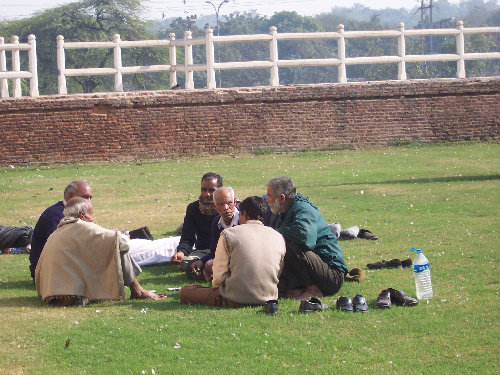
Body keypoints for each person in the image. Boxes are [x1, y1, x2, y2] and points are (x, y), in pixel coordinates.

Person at [35, 198, 167, 306]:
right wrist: (123, 236)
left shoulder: (58, 232)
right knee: (116, 245)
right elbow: (122, 242)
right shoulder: (81, 226)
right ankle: (138, 291)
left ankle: (137, 291)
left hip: (51, 295)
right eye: (90, 214)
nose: (92, 219)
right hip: (70, 297)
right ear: (82, 215)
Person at [179, 196, 286, 308]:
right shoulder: (278, 236)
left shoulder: (229, 234)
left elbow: (218, 275)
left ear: (244, 213)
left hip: (234, 298)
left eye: (239, 215)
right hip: (269, 297)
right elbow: (278, 270)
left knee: (185, 291)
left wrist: (218, 289)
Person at [266, 176, 348, 300]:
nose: (267, 200)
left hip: (332, 276)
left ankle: (313, 290)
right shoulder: (287, 210)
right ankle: (296, 287)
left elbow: (305, 238)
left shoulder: (304, 209)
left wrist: (275, 232)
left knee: (289, 243)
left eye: (269, 195)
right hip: (317, 268)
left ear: (282, 198)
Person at [30, 181, 93, 279]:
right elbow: (62, 249)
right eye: (85, 197)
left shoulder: (73, 213)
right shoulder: (56, 216)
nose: (89, 201)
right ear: (70, 197)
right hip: (48, 272)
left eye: (90, 198)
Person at [170, 172, 222, 271]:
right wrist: (181, 252)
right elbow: (187, 237)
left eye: (212, 190)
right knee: (184, 263)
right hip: (202, 252)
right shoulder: (193, 208)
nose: (207, 194)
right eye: (204, 189)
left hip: (224, 252)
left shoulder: (226, 209)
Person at [189, 186, 239, 279]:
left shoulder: (243, 219)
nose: (225, 208)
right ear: (215, 206)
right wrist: (201, 262)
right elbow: (215, 252)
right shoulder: (217, 222)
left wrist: (220, 265)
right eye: (220, 204)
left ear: (235, 202)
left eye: (229, 203)